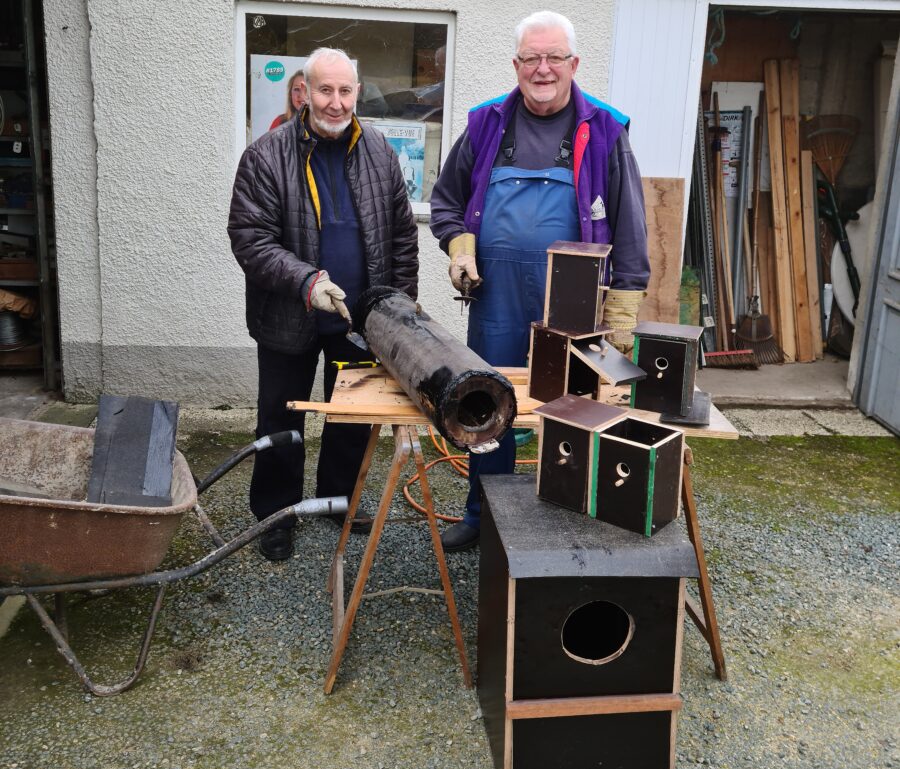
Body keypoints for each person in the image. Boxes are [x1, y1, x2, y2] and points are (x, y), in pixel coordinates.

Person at [430, 10, 650, 553]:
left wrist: (621, 315)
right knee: (486, 408)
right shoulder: (485, 125)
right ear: (516, 65)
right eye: (532, 58)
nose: (543, 69)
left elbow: (630, 227)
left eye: (554, 58)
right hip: (496, 299)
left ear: (574, 63)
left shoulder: (604, 129)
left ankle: (564, 516)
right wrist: (459, 248)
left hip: (572, 305)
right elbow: (446, 203)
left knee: (571, 412)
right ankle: (482, 516)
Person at [229, 47, 418, 561]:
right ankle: (277, 513)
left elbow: (401, 236)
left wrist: (400, 313)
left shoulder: (379, 150)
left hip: (360, 319)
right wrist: (306, 281)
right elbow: (250, 239)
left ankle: (339, 501)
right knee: (281, 418)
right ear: (304, 93)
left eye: (345, 90)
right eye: (324, 90)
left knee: (351, 417)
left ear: (357, 91)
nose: (335, 103)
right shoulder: (266, 155)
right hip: (289, 314)